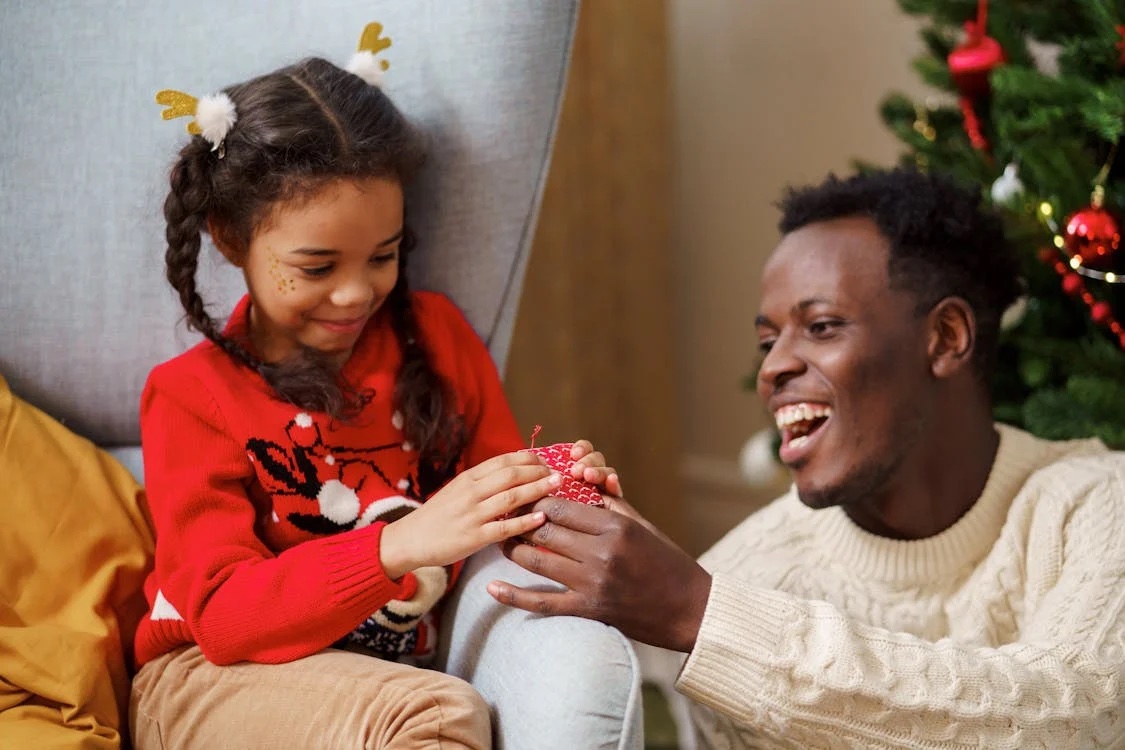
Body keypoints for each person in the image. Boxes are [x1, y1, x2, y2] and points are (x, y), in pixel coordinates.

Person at [488, 168, 1125, 748]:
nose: (773, 368)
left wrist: (702, 614)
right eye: (768, 341)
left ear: (945, 337)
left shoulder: (1098, 503)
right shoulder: (748, 574)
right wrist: (705, 614)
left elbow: (1082, 720)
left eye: (821, 327)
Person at [131, 50, 618, 750]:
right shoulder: (190, 395)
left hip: (379, 681)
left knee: (431, 710)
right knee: (436, 715)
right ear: (230, 239)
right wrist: (397, 545)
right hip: (207, 676)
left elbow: (497, 507)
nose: (356, 292)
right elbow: (221, 617)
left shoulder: (437, 338)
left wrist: (562, 493)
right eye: (316, 267)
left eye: (382, 256)